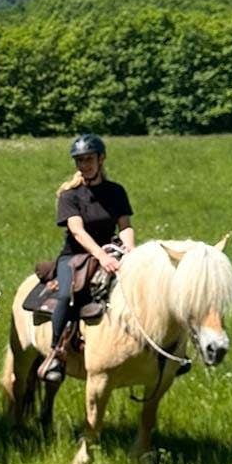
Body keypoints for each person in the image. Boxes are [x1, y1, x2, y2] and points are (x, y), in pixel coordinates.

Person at [41, 133, 136, 382]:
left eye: (89, 159)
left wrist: (129, 249)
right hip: (74, 257)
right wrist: (101, 255)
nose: (84, 165)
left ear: (101, 159)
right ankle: (55, 352)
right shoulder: (69, 195)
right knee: (66, 295)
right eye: (80, 160)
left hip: (111, 251)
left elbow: (125, 225)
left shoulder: (116, 191)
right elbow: (77, 231)